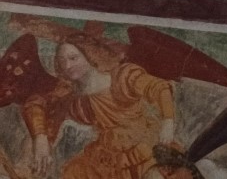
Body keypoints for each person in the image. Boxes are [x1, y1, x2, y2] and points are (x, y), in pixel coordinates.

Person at [22, 32, 176, 179]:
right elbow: (36, 104)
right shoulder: (73, 97)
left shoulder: (122, 77)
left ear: (90, 54)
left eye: (73, 58)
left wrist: (168, 121)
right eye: (62, 61)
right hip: (108, 155)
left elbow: (159, 87)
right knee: (74, 173)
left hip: (144, 144)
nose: (67, 65)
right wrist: (40, 138)